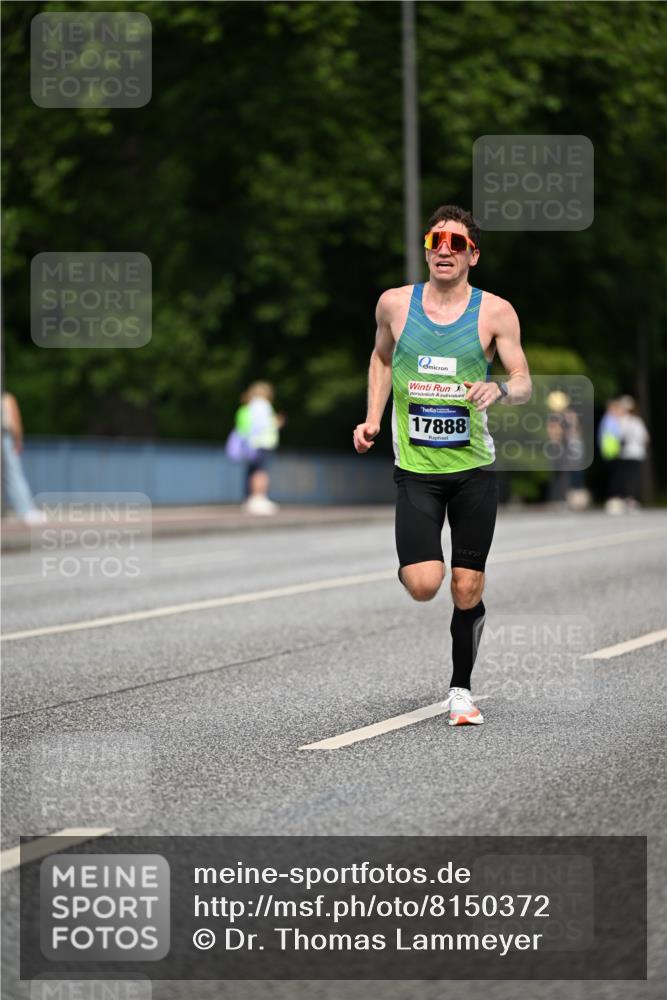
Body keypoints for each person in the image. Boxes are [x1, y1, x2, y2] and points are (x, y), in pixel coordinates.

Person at [353, 205, 531, 726]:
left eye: (456, 243)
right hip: (417, 470)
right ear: (427, 249)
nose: (445, 250)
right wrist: (371, 419)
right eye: (437, 240)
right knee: (425, 584)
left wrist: (499, 386)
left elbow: (522, 380)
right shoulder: (395, 305)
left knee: (466, 587)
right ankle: (413, 560)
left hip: (474, 469)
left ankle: (461, 689)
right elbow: (382, 358)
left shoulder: (495, 312)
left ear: (473, 254)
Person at [233, 382, 284, 515]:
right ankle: (259, 498)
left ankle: (251, 499)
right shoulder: (263, 405)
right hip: (262, 442)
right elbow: (263, 425)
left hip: (251, 443)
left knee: (253, 470)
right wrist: (276, 423)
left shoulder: (250, 406)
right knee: (261, 471)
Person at [1, 391, 47, 523]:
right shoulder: (6, 398)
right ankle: (25, 510)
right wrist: (18, 439)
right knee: (14, 475)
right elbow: (14, 422)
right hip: (5, 437)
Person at [617, 395, 649, 511]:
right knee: (634, 476)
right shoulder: (637, 420)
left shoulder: (621, 420)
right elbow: (645, 437)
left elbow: (618, 437)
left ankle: (625, 498)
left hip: (625, 452)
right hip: (636, 452)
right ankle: (631, 499)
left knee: (625, 476)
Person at [598, 398, 625, 514]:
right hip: (612, 451)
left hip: (611, 451)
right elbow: (614, 436)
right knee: (614, 477)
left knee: (614, 476)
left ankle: (614, 499)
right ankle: (613, 500)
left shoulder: (608, 419)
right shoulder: (610, 419)